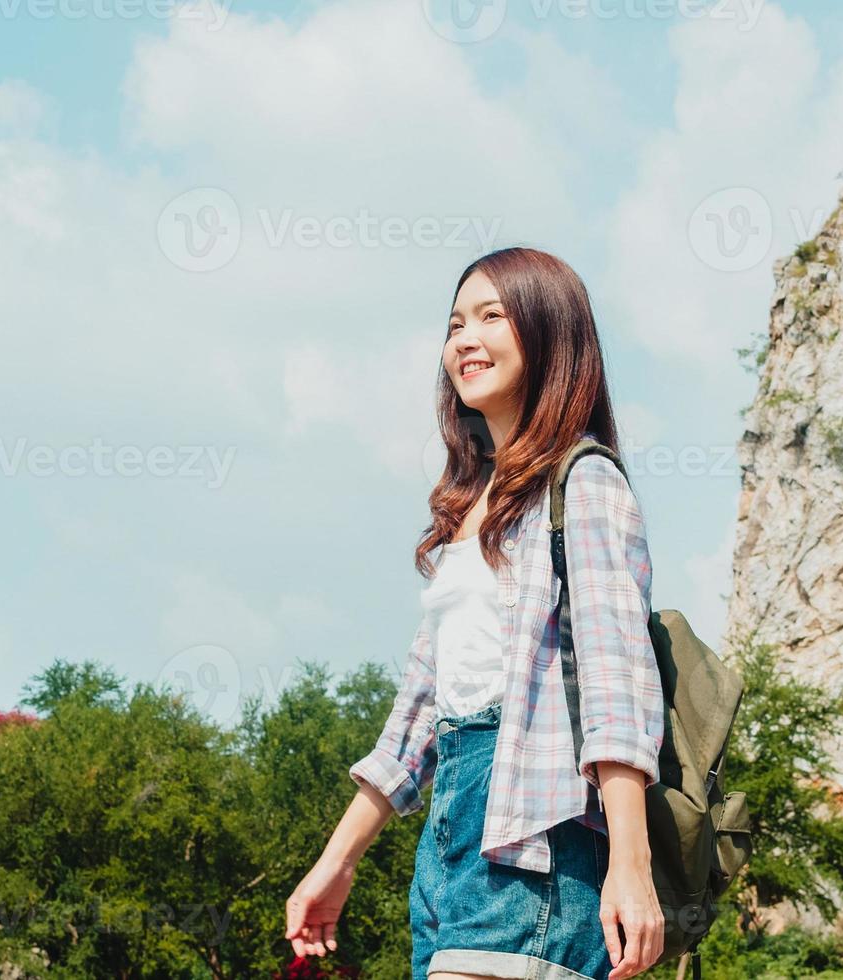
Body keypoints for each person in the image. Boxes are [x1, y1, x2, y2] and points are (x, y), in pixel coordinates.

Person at [284, 246, 667, 980]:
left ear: (550, 333)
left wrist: (631, 862)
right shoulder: (473, 509)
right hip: (450, 840)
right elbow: (420, 715)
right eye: (455, 321)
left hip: (537, 837)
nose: (465, 338)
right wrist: (336, 865)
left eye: (492, 316)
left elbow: (619, 683)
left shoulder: (582, 483)